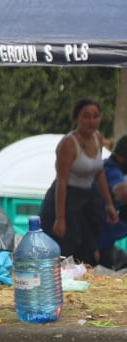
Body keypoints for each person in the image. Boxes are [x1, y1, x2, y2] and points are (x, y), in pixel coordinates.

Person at [39, 98, 118, 265]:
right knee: (67, 246)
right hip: (65, 199)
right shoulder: (68, 144)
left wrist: (109, 204)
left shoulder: (97, 138)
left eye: (96, 116)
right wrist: (60, 219)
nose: (92, 121)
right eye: (86, 116)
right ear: (77, 119)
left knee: (89, 250)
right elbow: (62, 181)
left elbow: (99, 173)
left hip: (87, 198)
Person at [97, 134, 127, 268]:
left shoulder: (104, 166)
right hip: (97, 240)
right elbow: (122, 191)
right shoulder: (111, 169)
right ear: (122, 157)